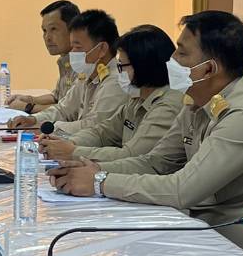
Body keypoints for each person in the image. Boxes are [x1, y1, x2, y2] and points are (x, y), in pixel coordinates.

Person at [51, 10, 243, 256]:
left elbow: (182, 190)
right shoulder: (196, 101)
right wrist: (92, 168)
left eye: (182, 53)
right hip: (216, 244)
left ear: (209, 68)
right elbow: (156, 162)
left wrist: (100, 182)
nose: (172, 59)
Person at [40, 24, 184, 165]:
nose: (119, 71)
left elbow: (131, 155)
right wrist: (68, 143)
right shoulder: (138, 98)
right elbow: (102, 132)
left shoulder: (167, 106)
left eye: (121, 66)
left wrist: (73, 152)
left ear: (143, 67)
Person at [8, 9, 121, 133]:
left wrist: (49, 127)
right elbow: (63, 109)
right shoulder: (88, 74)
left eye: (78, 47)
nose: (73, 52)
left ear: (102, 49)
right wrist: (33, 120)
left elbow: (93, 127)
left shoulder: (115, 82)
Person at [8, 0, 79, 115]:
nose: (47, 37)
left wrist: (28, 107)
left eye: (53, 29)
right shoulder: (65, 61)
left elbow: (69, 111)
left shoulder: (83, 64)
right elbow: (56, 97)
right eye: (44, 31)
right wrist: (29, 99)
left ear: (73, 30)